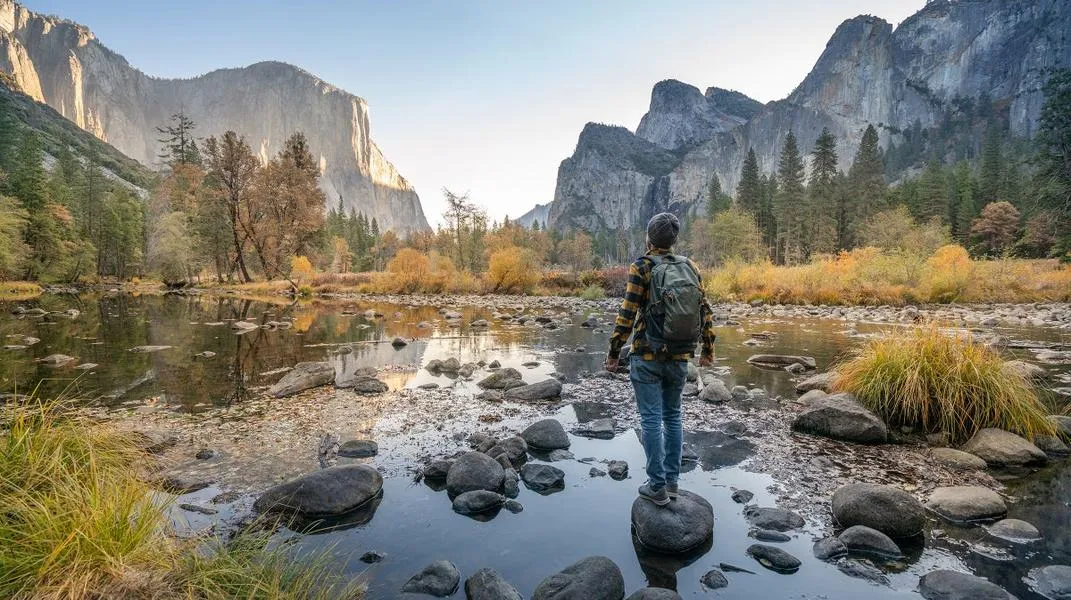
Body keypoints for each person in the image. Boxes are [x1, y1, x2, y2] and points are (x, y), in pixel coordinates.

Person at [605, 212, 716, 506]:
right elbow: (705, 309)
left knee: (652, 419)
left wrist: (614, 352)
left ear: (649, 238)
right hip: (680, 356)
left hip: (647, 354)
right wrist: (708, 349)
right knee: (674, 416)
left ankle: (656, 486)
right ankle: (673, 482)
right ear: (674, 240)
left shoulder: (641, 266)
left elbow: (627, 314)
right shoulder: (689, 266)